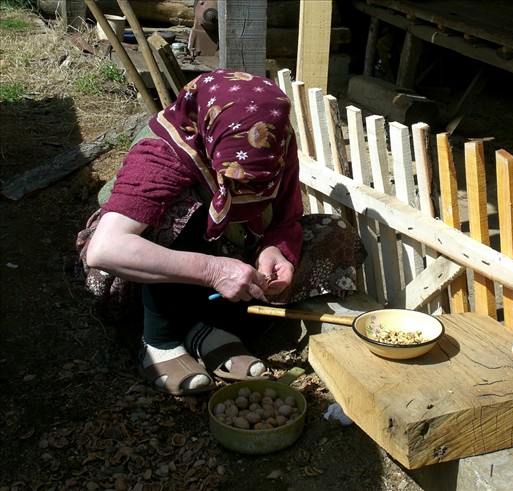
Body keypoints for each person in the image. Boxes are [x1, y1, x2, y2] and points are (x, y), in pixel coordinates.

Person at [76, 69, 366, 397]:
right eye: (238, 178)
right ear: (212, 139)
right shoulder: (163, 150)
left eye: (261, 181)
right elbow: (105, 249)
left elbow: (287, 215)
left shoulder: (274, 140)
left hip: (233, 249)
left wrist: (275, 249)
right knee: (178, 216)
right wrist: (214, 271)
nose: (250, 191)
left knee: (334, 235)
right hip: (152, 268)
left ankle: (209, 329)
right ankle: (159, 340)